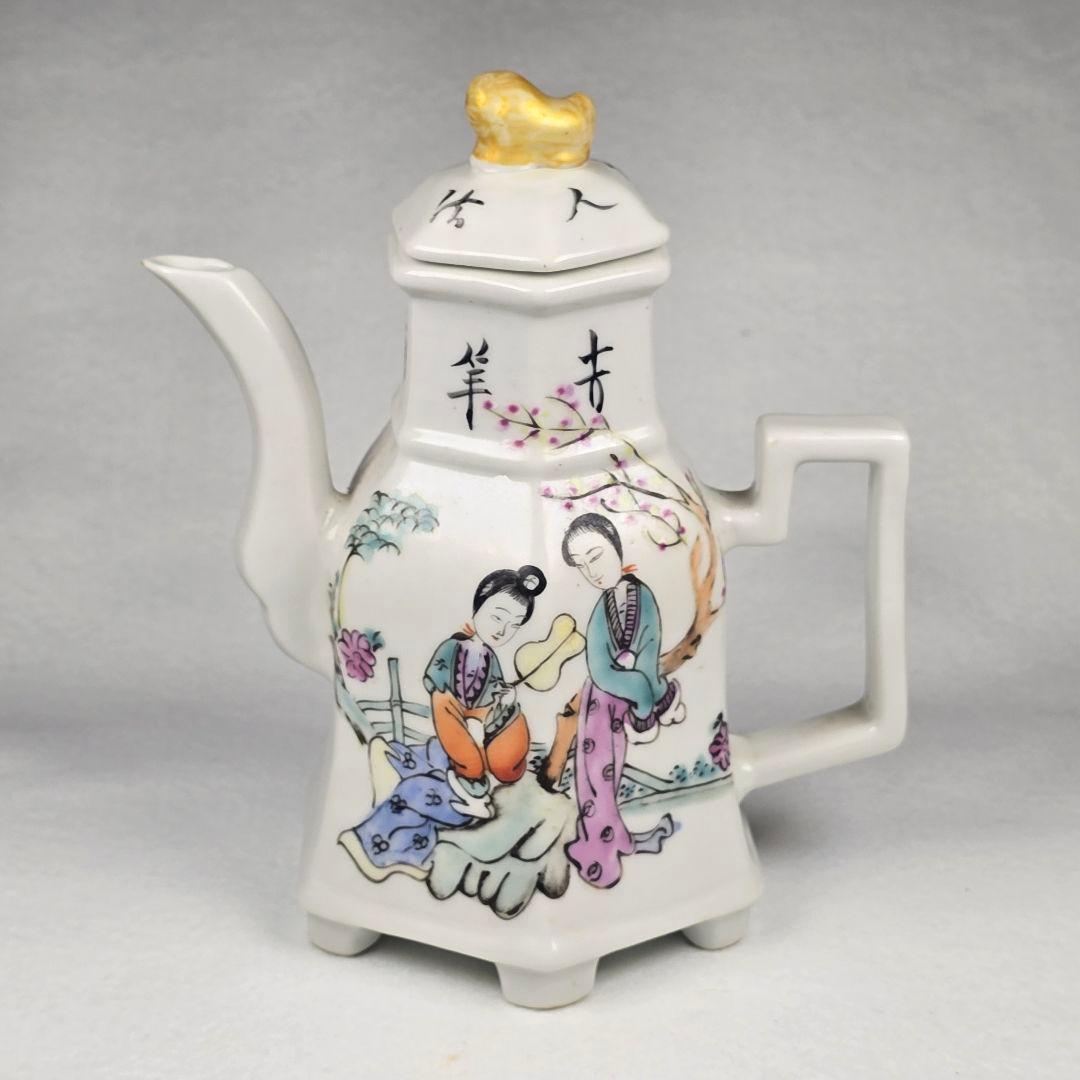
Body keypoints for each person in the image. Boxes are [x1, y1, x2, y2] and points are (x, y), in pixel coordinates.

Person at [561, 514, 683, 887]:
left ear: (616, 547)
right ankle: (600, 852)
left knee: (609, 774)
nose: (592, 571)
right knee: (595, 776)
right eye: (581, 565)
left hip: (626, 698)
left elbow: (649, 652)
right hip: (600, 703)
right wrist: (642, 695)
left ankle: (613, 843)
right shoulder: (602, 609)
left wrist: (643, 702)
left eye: (596, 557)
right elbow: (599, 668)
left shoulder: (642, 597)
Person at [423, 565, 547, 819]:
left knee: (507, 762)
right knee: (444, 704)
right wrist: (468, 717)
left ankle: (491, 774)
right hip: (453, 713)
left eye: (514, 625)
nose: (502, 630)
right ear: (478, 607)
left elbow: (492, 691)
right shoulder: (452, 647)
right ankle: (473, 785)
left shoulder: (491, 658)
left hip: (481, 720)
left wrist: (500, 701)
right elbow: (436, 681)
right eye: (497, 617)